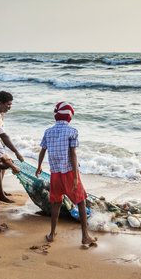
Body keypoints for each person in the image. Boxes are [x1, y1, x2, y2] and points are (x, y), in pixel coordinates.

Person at [36, 101, 97, 247]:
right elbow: (73, 154)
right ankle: (85, 236)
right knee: (81, 201)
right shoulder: (72, 131)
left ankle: (51, 234)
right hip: (69, 172)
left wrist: (38, 167)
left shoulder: (48, 131)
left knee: (56, 202)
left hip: (55, 173)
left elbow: (42, 151)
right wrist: (75, 176)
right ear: (69, 116)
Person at [0, 91, 24, 204]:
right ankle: (0, 195)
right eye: (8, 105)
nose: (9, 107)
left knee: (2, 166)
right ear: (0, 103)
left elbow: (1, 133)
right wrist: (16, 152)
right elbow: (4, 135)